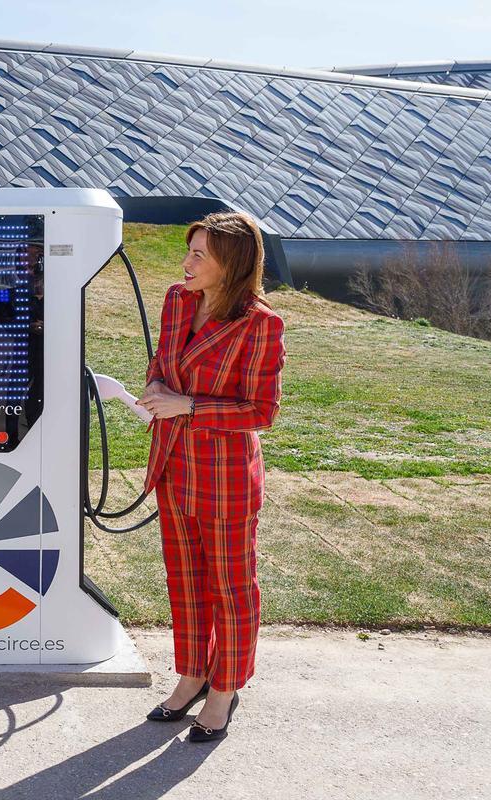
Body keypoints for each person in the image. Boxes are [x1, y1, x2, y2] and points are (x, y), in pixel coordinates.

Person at [136, 211, 285, 743]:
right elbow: (162, 359)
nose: (186, 262)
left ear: (232, 265)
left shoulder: (261, 324)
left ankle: (225, 689)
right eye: (189, 251)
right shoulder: (178, 301)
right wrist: (156, 388)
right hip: (174, 466)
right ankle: (192, 675)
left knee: (231, 589)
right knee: (187, 583)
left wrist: (188, 406)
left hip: (224, 478)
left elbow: (261, 411)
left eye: (200, 254)